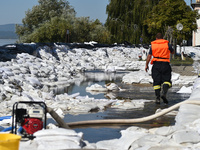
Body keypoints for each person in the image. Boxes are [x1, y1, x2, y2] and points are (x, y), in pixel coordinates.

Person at [145, 33, 175, 104]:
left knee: (156, 82)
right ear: (162, 38)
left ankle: (157, 98)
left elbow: (149, 56)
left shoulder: (153, 45)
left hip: (156, 65)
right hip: (165, 64)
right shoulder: (167, 44)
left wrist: (146, 65)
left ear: (156, 38)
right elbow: (173, 52)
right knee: (167, 80)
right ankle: (164, 93)